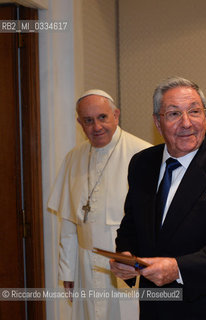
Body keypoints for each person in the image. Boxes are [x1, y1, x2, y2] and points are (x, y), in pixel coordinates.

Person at [110, 77, 206, 319]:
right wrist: (125, 255)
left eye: (194, 112)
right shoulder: (142, 164)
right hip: (154, 307)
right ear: (157, 122)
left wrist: (178, 269)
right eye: (173, 114)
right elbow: (131, 225)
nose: (186, 123)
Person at [48, 89, 152, 319]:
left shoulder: (144, 154)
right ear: (79, 123)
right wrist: (67, 270)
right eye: (88, 120)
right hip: (85, 266)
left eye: (102, 117)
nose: (96, 127)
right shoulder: (73, 158)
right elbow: (68, 223)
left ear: (116, 115)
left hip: (126, 264)